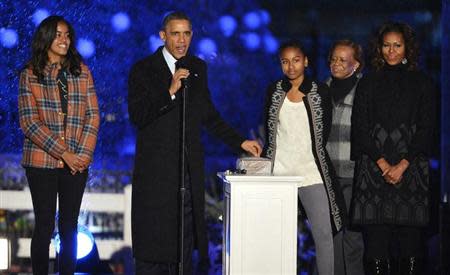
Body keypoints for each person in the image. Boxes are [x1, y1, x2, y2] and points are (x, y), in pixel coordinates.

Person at [127, 11, 261, 275]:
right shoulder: (143, 69)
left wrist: (240, 142)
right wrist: (170, 91)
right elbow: (138, 115)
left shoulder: (197, 68)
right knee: (154, 242)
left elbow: (208, 115)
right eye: (175, 34)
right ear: (162, 35)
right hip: (155, 173)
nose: (181, 40)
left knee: (185, 244)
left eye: (187, 33)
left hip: (187, 170)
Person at [351, 22, 437, 274]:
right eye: (386, 45)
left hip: (411, 174)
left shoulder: (424, 83)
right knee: (375, 246)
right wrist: (382, 164)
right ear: (379, 48)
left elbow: (427, 129)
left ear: (407, 48)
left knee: (411, 247)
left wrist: (402, 165)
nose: (391, 51)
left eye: (397, 45)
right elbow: (360, 127)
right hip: (373, 174)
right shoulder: (367, 82)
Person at [18, 15, 99, 275]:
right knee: (44, 225)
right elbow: (29, 123)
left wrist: (82, 155)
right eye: (58, 35)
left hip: (76, 162)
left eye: (67, 35)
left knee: (69, 227)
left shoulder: (82, 71)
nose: (64, 40)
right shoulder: (30, 74)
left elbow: (93, 115)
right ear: (46, 38)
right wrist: (64, 153)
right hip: (41, 162)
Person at [262, 40, 347, 275]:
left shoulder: (320, 91)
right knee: (281, 237)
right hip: (279, 173)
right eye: (285, 61)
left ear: (306, 62)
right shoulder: (274, 90)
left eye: (296, 60)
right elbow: (270, 131)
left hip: (311, 171)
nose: (291, 66)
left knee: (323, 235)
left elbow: (324, 132)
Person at [325, 39, 365, 275]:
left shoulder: (364, 91)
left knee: (352, 237)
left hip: (353, 173)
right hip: (327, 175)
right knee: (330, 236)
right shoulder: (322, 89)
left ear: (356, 64)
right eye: (333, 59)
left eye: (343, 60)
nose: (336, 64)